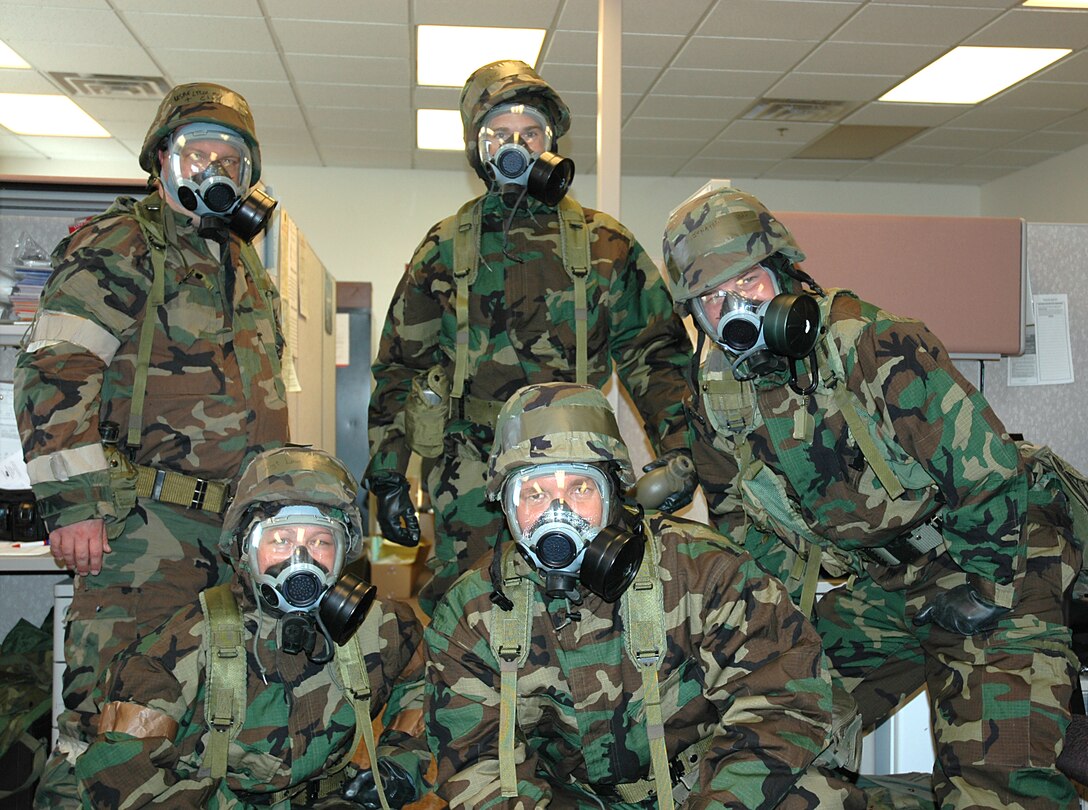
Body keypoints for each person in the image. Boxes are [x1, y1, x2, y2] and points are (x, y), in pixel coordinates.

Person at [662, 185, 1084, 809]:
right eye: (711, 298)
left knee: (996, 788)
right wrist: (772, 633)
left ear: (783, 274)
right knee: (760, 717)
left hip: (1004, 555)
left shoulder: (877, 345)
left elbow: (989, 473)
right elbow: (748, 531)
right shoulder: (722, 399)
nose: (734, 308)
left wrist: (987, 588)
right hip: (889, 585)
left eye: (747, 282)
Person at [14, 81, 289, 805]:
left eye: (230, 155)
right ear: (162, 160)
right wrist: (74, 503)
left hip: (229, 536)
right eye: (198, 151)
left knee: (204, 721)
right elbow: (53, 368)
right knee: (113, 728)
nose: (214, 167)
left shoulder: (242, 261)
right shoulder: (123, 242)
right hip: (145, 536)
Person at [424, 381, 863, 809]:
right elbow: (475, 763)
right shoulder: (474, 610)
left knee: (821, 798)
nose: (559, 514)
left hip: (703, 784)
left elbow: (784, 701)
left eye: (580, 489)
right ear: (506, 507)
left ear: (613, 493)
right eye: (534, 494)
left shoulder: (703, 569)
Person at [366, 59, 696, 617]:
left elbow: (656, 356)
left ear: (552, 142)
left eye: (531, 132)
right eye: (500, 133)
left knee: (591, 609)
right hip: (470, 469)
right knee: (468, 610)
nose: (516, 143)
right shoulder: (445, 247)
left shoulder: (604, 244)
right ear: (479, 147)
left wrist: (681, 449)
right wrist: (388, 472)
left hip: (581, 469)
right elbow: (401, 365)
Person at [73, 446, 431, 808]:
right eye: (281, 540)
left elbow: (429, 687)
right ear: (244, 546)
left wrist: (400, 763)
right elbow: (119, 782)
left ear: (343, 553)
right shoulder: (180, 649)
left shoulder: (379, 628)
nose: (301, 560)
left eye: (321, 541)